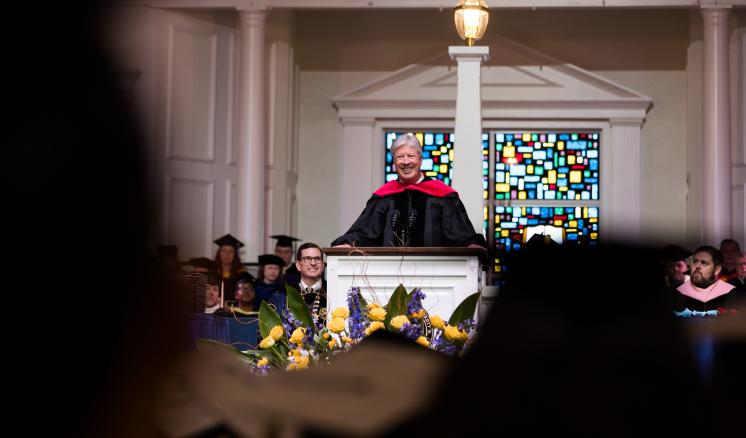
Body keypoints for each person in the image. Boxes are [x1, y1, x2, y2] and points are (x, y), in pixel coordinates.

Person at [331, 133, 486, 248]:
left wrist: (471, 245)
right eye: (400, 157)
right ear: (394, 162)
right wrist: (349, 243)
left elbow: (460, 234)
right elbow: (366, 232)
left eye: (410, 156)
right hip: (387, 273)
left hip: (436, 273)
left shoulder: (442, 195)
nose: (406, 162)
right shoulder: (383, 197)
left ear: (420, 159)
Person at [271, 242, 328, 324]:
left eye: (317, 259)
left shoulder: (332, 293)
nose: (313, 263)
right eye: (307, 259)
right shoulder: (282, 294)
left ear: (322, 265)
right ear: (298, 265)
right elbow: (268, 328)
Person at [673, 246, 738, 314]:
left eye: (704, 263)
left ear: (716, 270)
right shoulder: (677, 292)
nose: (697, 266)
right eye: (695, 261)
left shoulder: (731, 294)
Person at [212, 233, 246, 298]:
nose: (227, 254)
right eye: (223, 251)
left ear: (235, 255)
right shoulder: (213, 272)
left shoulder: (241, 274)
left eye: (230, 251)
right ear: (219, 253)